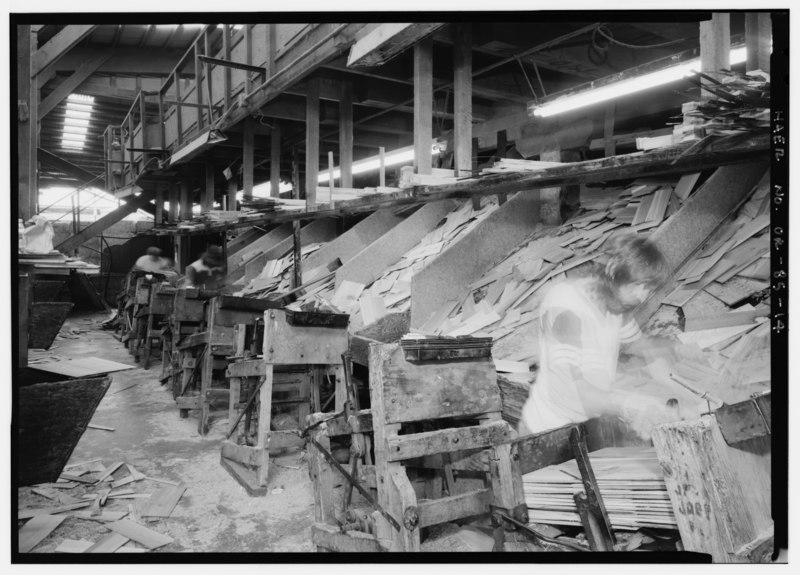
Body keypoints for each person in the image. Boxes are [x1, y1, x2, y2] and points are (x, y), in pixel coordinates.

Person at [520, 234, 678, 439]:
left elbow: (640, 346)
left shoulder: (616, 304)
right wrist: (632, 404)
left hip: (584, 426)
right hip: (546, 432)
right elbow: (583, 393)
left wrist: (676, 370)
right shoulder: (567, 307)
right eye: (637, 285)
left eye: (648, 288)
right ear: (613, 271)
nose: (642, 296)